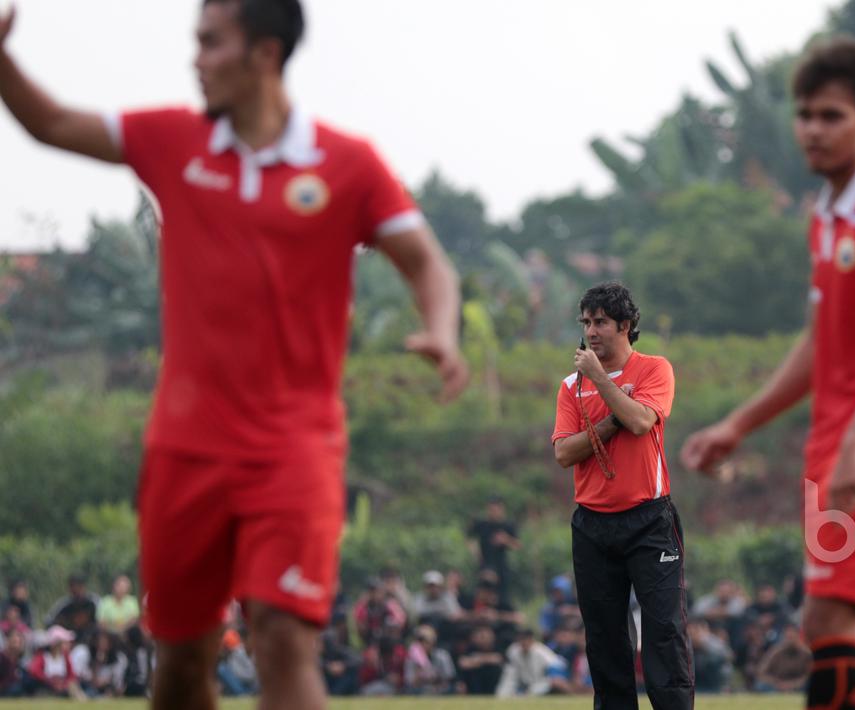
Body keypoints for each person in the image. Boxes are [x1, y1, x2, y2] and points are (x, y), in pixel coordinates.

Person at [0, 1, 466, 707]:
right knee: (183, 666)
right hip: (185, 450)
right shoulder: (171, 141)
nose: (195, 59)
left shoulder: (346, 163)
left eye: (210, 42)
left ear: (264, 53)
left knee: (282, 638)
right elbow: (52, 122)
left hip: (295, 446)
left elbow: (427, 262)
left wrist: (442, 329)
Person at [681, 37, 855, 710]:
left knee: (827, 615)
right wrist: (738, 423)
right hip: (838, 440)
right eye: (804, 114)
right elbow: (817, 341)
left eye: (831, 115)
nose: (813, 129)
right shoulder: (828, 216)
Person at [552, 281, 694, 709]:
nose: (591, 331)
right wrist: (609, 420)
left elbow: (640, 421)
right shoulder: (570, 386)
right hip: (593, 525)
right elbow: (563, 452)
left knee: (663, 631)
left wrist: (600, 380)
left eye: (601, 322)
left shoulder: (654, 369)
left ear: (625, 325)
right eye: (586, 322)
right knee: (604, 637)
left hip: (649, 520)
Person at [467, 497, 521, 603]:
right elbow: (469, 537)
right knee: (483, 592)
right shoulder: (482, 524)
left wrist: (506, 540)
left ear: (502, 509)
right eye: (491, 509)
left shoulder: (508, 525)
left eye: (496, 509)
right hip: (485, 563)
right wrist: (474, 550)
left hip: (501, 566)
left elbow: (517, 545)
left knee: (502, 597)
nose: (494, 512)